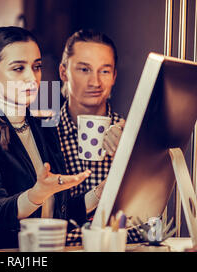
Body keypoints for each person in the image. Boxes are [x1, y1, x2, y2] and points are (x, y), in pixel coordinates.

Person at [0, 26, 91, 250]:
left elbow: (56, 211)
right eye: (18, 68)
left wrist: (103, 192)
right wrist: (38, 193)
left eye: (36, 67)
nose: (31, 78)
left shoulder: (44, 128)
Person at [58, 29, 143, 244]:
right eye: (84, 69)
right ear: (63, 72)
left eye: (104, 71)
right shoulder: (44, 136)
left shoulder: (131, 136)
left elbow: (147, 221)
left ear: (114, 76)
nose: (95, 82)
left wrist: (128, 158)